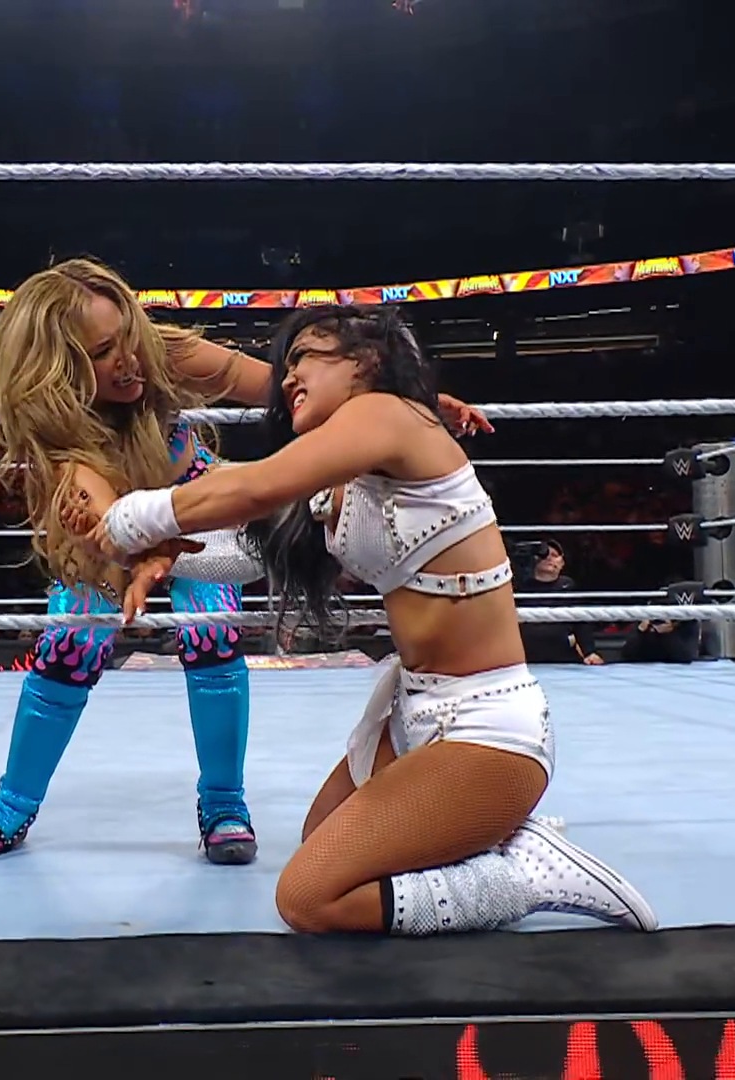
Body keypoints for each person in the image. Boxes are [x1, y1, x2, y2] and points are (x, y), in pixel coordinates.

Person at [71, 303, 656, 936]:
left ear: (367, 360)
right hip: (412, 712)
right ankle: (490, 835)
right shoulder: (344, 481)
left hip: (486, 722)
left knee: (308, 898)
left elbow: (252, 487)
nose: (287, 376)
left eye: (306, 356)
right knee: (321, 837)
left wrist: (126, 521)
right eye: (285, 364)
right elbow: (248, 553)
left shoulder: (391, 415)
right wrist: (161, 557)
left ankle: (525, 875)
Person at [0, 259, 490, 865]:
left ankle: (225, 804)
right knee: (68, 651)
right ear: (59, 371)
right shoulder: (56, 432)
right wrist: (133, 547)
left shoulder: (157, 351)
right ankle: (12, 805)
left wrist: (411, 404)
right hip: (111, 525)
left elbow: (281, 388)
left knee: (213, 639)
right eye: (101, 353)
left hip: (198, 501)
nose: (127, 359)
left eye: (127, 337)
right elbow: (100, 517)